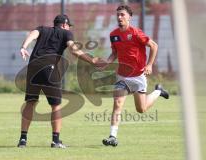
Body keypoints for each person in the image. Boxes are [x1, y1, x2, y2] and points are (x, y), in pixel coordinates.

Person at [17, 14, 103, 148]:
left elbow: (33, 33)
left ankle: (23, 140)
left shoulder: (43, 29)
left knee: (30, 102)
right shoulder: (66, 33)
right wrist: (91, 60)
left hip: (33, 66)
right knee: (55, 105)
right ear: (64, 25)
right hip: (49, 68)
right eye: (68, 26)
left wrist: (23, 47)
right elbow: (73, 50)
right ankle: (55, 141)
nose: (69, 28)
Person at [99, 5, 169, 147]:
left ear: (129, 17)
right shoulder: (113, 35)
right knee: (117, 104)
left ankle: (158, 91)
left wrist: (149, 65)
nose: (119, 17)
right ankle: (113, 136)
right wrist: (107, 63)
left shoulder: (136, 33)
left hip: (138, 76)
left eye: (122, 15)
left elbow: (154, 46)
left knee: (141, 109)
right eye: (118, 14)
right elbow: (114, 53)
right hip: (122, 77)